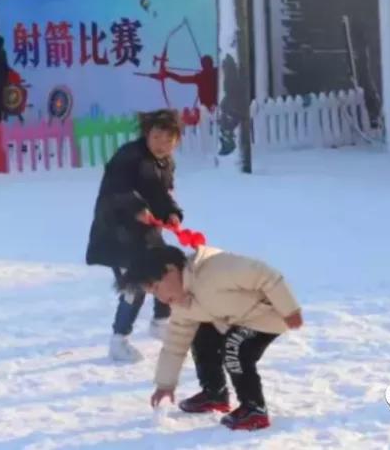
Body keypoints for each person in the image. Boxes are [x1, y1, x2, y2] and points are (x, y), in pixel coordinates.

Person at [117, 245, 304, 432]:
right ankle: (215, 393)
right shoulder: (183, 303)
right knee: (200, 335)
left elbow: (266, 275)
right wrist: (165, 385)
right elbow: (175, 344)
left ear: (171, 271)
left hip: (268, 316)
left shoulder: (216, 270)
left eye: (157, 288)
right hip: (234, 317)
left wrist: (289, 309)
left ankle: (254, 410)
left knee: (234, 348)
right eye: (153, 295)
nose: (161, 299)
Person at [85, 109, 184, 363]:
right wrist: (136, 209)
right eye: (157, 137)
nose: (162, 145)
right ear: (146, 134)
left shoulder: (165, 162)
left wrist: (171, 213)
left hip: (146, 233)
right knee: (136, 284)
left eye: (168, 139)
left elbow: (162, 195)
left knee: (166, 270)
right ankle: (118, 340)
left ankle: (161, 323)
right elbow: (115, 189)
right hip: (116, 233)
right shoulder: (129, 156)